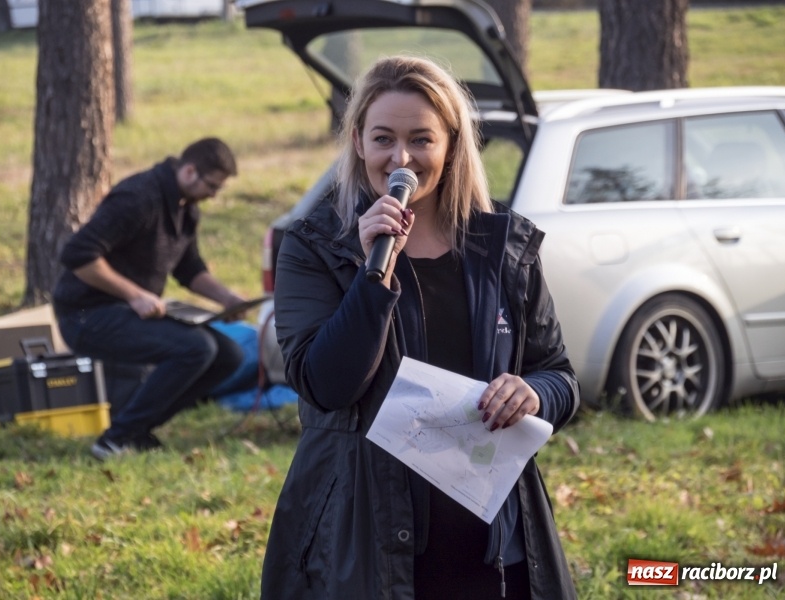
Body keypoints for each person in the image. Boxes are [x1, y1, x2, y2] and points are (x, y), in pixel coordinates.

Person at [261, 56, 580, 599]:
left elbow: (559, 376)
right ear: (358, 141)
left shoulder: (503, 247)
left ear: (452, 145)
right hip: (366, 535)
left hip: (491, 534)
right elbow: (327, 386)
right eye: (383, 138)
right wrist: (373, 275)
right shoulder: (315, 247)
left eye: (421, 140)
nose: (400, 158)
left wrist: (533, 394)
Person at [52, 137, 247, 460]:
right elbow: (77, 255)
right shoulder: (138, 198)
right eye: (212, 186)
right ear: (189, 171)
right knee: (195, 349)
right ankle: (113, 441)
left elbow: (189, 269)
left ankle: (138, 429)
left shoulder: (187, 209)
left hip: (131, 312)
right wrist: (135, 295)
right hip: (85, 315)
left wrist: (227, 298)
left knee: (229, 355)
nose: (213, 195)